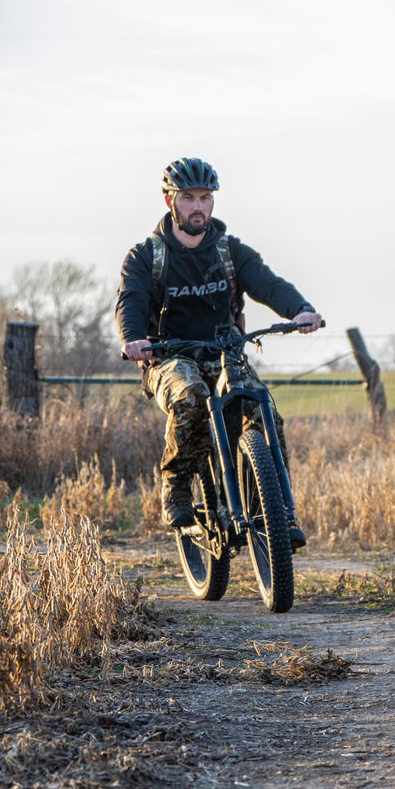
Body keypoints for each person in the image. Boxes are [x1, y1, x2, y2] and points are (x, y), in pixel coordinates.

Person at [116, 157, 322, 542]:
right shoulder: (146, 257)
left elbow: (269, 284)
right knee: (191, 394)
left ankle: (278, 515)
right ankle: (176, 484)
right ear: (169, 201)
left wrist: (301, 310)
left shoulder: (230, 252)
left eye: (205, 198)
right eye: (188, 198)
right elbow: (131, 301)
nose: (198, 206)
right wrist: (133, 338)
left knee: (264, 409)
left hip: (225, 350)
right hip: (167, 357)